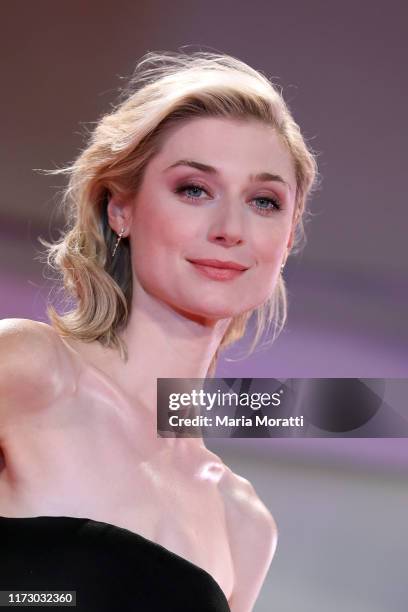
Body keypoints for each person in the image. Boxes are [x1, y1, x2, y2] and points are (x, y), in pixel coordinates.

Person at [0, 50, 319, 611]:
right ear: (120, 208)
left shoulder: (244, 525)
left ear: (289, 236)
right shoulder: (27, 370)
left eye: (264, 202)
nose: (229, 229)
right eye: (194, 189)